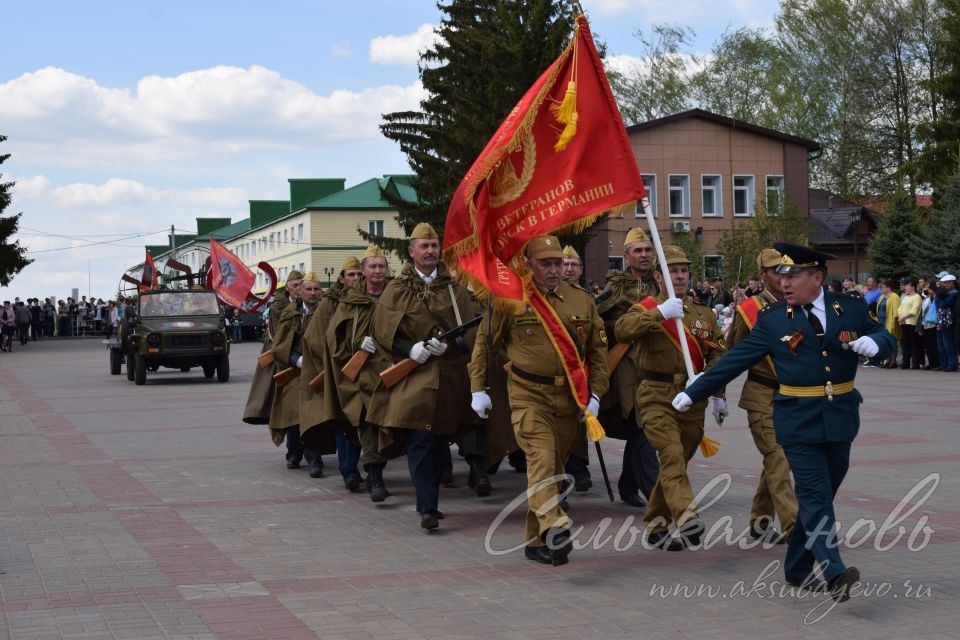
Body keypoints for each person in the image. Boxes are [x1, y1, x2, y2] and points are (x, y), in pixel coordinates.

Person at [673, 242, 896, 603]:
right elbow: (737, 358)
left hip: (840, 417)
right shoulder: (774, 318)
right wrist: (699, 389)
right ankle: (834, 571)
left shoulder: (850, 309)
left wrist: (877, 343)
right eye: (781, 274)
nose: (785, 282)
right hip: (796, 420)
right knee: (815, 495)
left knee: (821, 496)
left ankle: (795, 567)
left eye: (793, 275)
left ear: (817, 278)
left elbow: (887, 338)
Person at [469, 235, 608, 566]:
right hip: (529, 394)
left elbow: (598, 351)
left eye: (558, 263)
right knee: (542, 460)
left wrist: (597, 394)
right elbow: (484, 344)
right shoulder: (510, 299)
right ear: (529, 265)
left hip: (569, 398)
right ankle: (556, 525)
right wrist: (478, 387)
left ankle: (535, 541)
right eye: (546, 263)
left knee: (552, 469)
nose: (554, 269)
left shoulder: (581, 300)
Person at [614, 245, 727, 551]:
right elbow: (622, 330)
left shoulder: (702, 314)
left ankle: (655, 524)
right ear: (659, 277)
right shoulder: (646, 307)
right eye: (671, 271)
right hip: (656, 395)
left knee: (675, 466)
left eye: (682, 271)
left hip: (692, 398)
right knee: (671, 455)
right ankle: (687, 516)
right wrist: (659, 313)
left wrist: (711, 384)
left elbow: (718, 352)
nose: (678, 276)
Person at [367, 222, 477, 531]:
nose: (430, 251)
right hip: (413, 377)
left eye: (434, 246)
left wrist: (452, 344)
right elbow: (382, 332)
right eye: (423, 246)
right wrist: (410, 349)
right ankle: (428, 506)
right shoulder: (397, 289)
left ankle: (428, 500)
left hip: (447, 377)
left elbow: (470, 332)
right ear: (411, 250)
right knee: (420, 439)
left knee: (440, 441)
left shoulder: (454, 290)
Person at [729, 248, 797, 545]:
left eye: (786, 270)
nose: (783, 276)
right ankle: (796, 528)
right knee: (778, 458)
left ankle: (759, 521)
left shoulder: (796, 305)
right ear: (763, 275)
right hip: (761, 394)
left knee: (778, 461)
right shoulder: (750, 309)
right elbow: (731, 353)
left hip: (792, 397)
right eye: (775, 271)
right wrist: (715, 393)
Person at [312, 246, 392, 497]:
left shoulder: (396, 296)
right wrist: (356, 345)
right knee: (366, 422)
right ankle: (373, 475)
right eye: (372, 267)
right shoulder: (349, 302)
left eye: (381, 266)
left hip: (394, 370)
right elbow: (333, 338)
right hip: (364, 374)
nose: (376, 271)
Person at [595, 227, 660, 508]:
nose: (644, 255)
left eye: (648, 250)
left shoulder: (662, 283)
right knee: (641, 422)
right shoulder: (615, 287)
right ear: (626, 257)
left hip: (658, 361)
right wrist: (619, 326)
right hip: (626, 363)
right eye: (638, 250)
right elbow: (594, 322)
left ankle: (628, 484)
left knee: (644, 426)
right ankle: (657, 495)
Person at [271, 272, 329, 477]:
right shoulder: (290, 313)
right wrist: (296, 359)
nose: (313, 293)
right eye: (308, 289)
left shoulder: (327, 312)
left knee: (313, 416)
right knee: (294, 416)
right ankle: (293, 452)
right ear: (300, 292)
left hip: (320, 371)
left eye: (316, 289)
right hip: (294, 371)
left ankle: (315, 459)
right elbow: (279, 344)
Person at [559, 244, 592, 492]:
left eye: (574, 265)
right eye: (565, 264)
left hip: (581, 369)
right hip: (555, 370)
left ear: (581, 269)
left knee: (579, 424)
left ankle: (579, 468)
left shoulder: (586, 298)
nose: (569, 269)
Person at [897, 277, 922, 369]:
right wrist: (900, 317)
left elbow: (914, 310)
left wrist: (903, 317)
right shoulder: (906, 297)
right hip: (904, 323)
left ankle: (915, 363)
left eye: (907, 285)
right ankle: (905, 362)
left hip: (912, 323)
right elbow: (900, 308)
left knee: (914, 344)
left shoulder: (917, 297)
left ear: (913, 287)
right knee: (905, 344)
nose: (905, 287)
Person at [935, 273, 958, 372]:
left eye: (945, 283)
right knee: (941, 344)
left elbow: (944, 304)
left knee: (948, 344)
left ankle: (952, 364)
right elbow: (938, 304)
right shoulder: (946, 293)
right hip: (942, 320)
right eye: (943, 283)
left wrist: (939, 297)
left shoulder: (954, 293)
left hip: (948, 321)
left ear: (951, 283)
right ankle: (944, 364)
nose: (943, 285)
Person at [877, 279, 901, 368]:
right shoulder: (882, 297)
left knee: (892, 340)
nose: (881, 289)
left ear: (889, 287)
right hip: (881, 321)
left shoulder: (894, 296)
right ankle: (888, 359)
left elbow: (896, 310)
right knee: (885, 341)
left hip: (890, 321)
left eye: (883, 287)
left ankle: (893, 360)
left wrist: (895, 321)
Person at [920, 278, 939, 370]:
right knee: (927, 345)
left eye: (929, 288)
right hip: (925, 323)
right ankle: (931, 362)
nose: (928, 290)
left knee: (933, 344)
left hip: (933, 324)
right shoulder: (928, 298)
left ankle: (936, 363)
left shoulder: (936, 298)